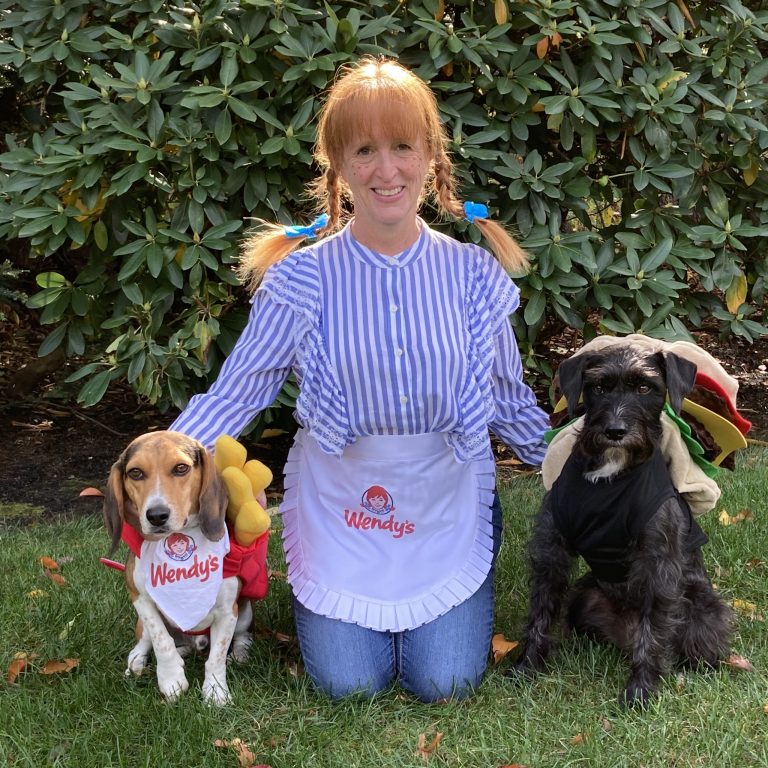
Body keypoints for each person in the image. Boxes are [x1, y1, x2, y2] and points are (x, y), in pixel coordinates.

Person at [170, 56, 549, 702]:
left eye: (403, 147)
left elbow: (510, 404)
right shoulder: (300, 281)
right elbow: (239, 391)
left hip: (446, 500)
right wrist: (164, 463)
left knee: (445, 680)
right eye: (365, 150)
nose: (386, 169)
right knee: (350, 684)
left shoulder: (473, 278)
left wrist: (594, 462)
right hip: (342, 503)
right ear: (338, 164)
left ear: (430, 156)